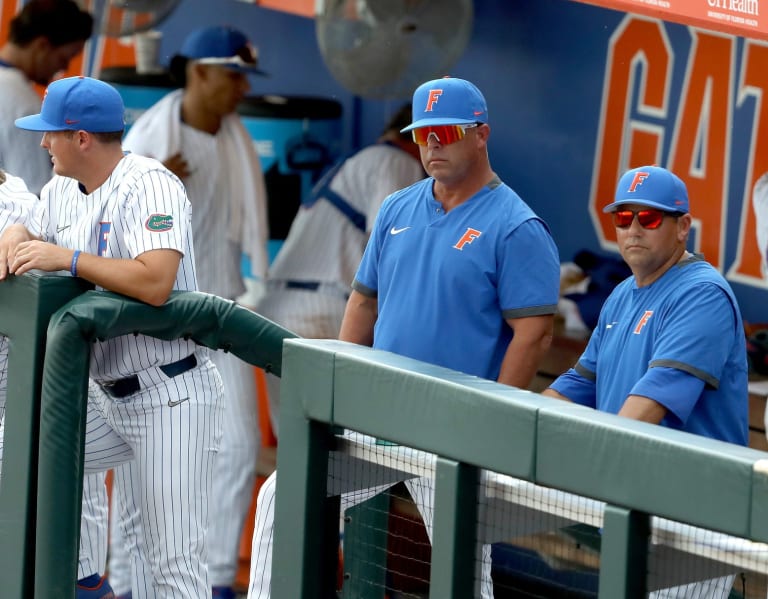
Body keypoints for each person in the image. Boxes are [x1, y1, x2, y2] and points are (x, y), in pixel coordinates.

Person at [248, 76, 561, 598]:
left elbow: (534, 332)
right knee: (284, 495)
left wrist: (496, 415)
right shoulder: (398, 207)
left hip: (455, 425)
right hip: (381, 414)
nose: (432, 144)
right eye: (422, 134)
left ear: (481, 133)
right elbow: (364, 300)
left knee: (465, 569)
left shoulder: (516, 225)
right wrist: (339, 391)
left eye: (445, 132)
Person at [0, 76, 225, 599]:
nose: (41, 143)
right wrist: (14, 240)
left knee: (169, 560)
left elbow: (155, 280)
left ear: (81, 138)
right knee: (17, 450)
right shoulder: (60, 190)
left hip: (169, 392)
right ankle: (81, 584)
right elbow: (24, 228)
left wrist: (69, 259)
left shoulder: (149, 182)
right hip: (106, 396)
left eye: (51, 133)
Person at [543, 165, 748, 598]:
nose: (634, 228)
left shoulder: (701, 294)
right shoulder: (621, 294)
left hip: (694, 520)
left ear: (682, 227)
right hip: (637, 504)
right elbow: (572, 389)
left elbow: (645, 410)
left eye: (649, 218)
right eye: (624, 218)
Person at [117, 25, 270, 599]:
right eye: (232, 73)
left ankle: (214, 582)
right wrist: (158, 186)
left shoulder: (235, 137)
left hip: (220, 311)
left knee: (236, 445)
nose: (240, 87)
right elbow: (109, 224)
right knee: (144, 452)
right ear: (198, 71)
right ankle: (131, 583)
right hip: (155, 317)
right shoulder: (154, 138)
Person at [256, 102, 424, 435]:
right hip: (320, 312)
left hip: (278, 308)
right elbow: (391, 247)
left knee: (298, 447)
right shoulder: (397, 160)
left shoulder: (363, 159)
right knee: (341, 453)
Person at [0, 166, 113, 599]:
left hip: (39, 404)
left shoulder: (22, 209)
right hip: (40, 408)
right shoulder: (35, 207)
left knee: (72, 568)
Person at [0, 0, 93, 195]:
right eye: (64, 57)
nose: (65, 68)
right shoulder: (23, 105)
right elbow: (31, 195)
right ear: (42, 46)